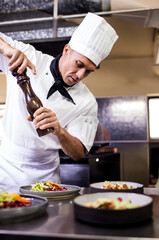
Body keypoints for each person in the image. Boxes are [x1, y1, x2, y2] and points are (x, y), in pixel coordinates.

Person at [0, 12, 118, 187]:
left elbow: (78, 153)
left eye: (88, 71)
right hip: (6, 169)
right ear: (66, 50)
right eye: (79, 65)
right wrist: (6, 49)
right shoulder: (28, 57)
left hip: (45, 176)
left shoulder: (87, 102)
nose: (80, 75)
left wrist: (60, 131)